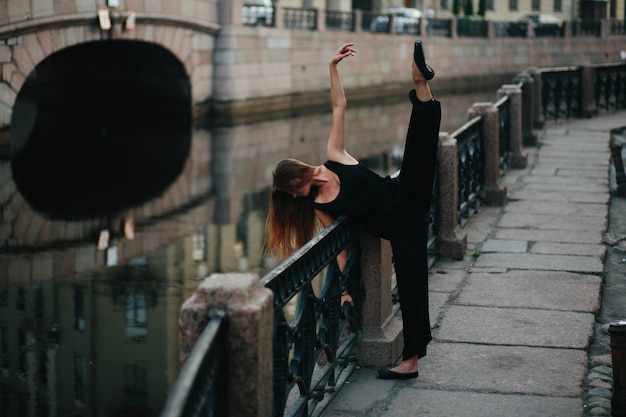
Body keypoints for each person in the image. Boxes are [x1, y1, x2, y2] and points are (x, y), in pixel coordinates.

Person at [264, 41, 441, 380]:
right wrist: (345, 286)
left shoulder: (335, 156)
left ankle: (420, 81)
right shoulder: (318, 205)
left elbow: (338, 105)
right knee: (412, 287)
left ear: (297, 176)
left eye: (294, 191)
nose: (297, 197)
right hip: (398, 229)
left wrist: (332, 67)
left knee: (420, 146)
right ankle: (411, 361)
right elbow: (343, 248)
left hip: (403, 194)